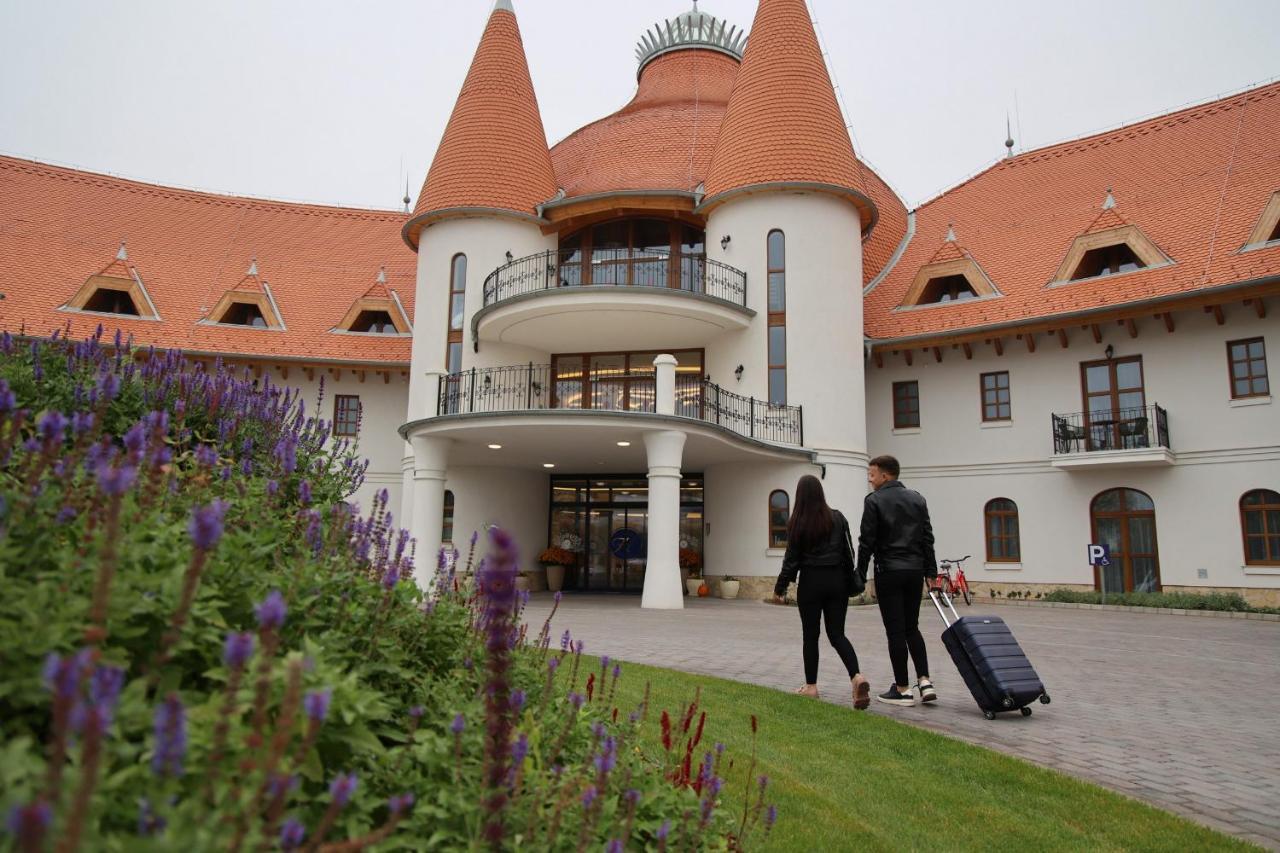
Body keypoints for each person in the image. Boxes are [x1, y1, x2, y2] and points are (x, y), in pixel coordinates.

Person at [772, 474, 870, 710]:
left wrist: (781, 587)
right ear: (820, 493)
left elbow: (791, 560)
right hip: (837, 581)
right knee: (837, 634)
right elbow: (849, 553)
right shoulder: (838, 518)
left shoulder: (797, 522)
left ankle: (811, 687)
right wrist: (850, 580)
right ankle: (857, 677)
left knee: (811, 635)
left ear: (800, 496)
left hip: (811, 582)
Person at [856, 455, 938, 707]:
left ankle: (902, 689)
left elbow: (866, 541)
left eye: (872, 475)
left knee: (895, 631)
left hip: (889, 571)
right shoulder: (917, 499)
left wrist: (860, 575)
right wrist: (931, 573)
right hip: (915, 572)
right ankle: (924, 681)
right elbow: (927, 538)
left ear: (885, 475)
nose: (870, 480)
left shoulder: (874, 501)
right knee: (912, 627)